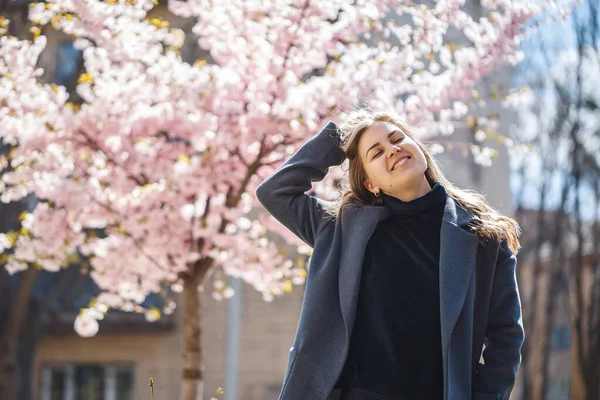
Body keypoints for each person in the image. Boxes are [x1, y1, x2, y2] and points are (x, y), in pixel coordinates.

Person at [255, 110, 524, 400]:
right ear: (370, 183)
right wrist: (340, 136)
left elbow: (506, 335)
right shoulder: (340, 230)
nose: (393, 149)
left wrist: (485, 395)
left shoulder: (484, 235)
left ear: (419, 147)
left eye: (397, 139)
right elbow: (276, 192)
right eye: (376, 152)